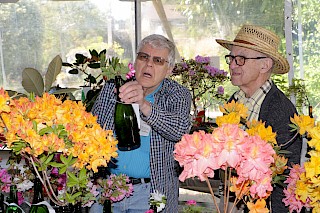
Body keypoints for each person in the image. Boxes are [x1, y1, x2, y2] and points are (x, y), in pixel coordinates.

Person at [91, 34, 192, 212]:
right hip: (108, 188)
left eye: (158, 60)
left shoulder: (177, 94)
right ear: (135, 61)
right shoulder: (113, 87)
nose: (149, 64)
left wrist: (144, 105)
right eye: (143, 57)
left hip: (151, 192)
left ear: (169, 70)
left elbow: (180, 130)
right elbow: (93, 130)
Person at [215, 24, 302, 212]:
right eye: (231, 58)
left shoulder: (281, 110)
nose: (232, 65)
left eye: (241, 59)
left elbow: (287, 177)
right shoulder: (233, 102)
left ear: (265, 65)